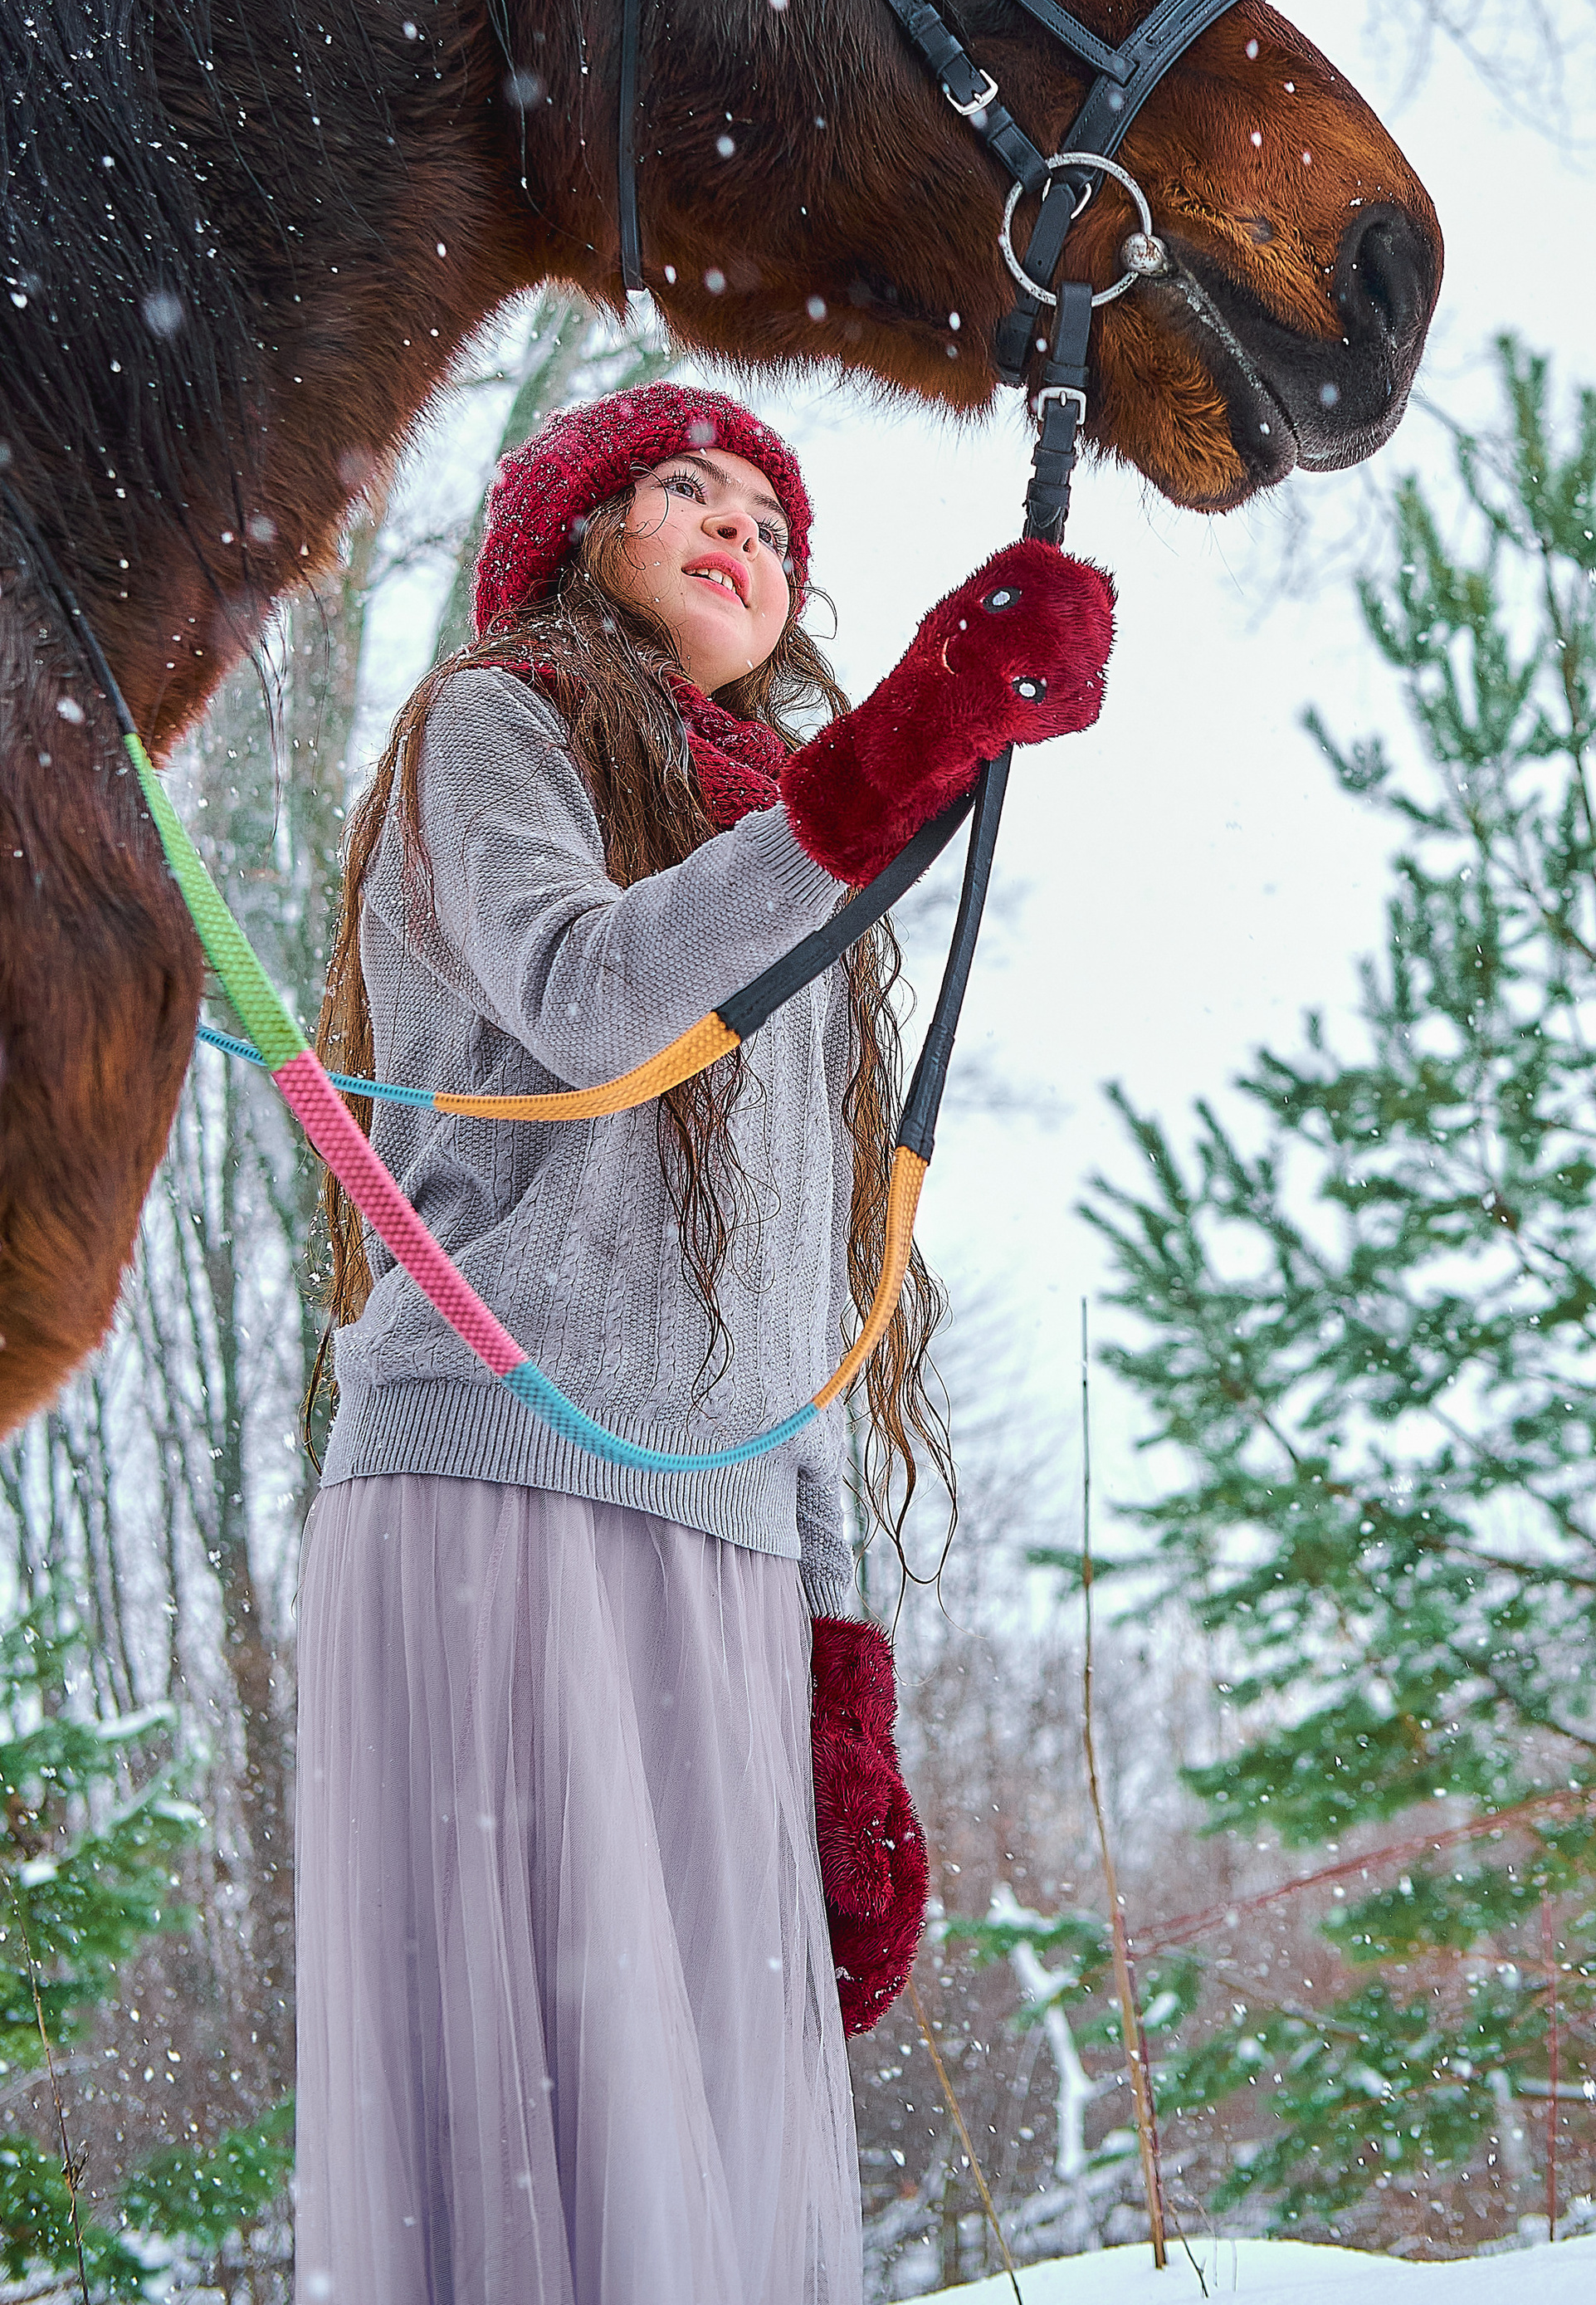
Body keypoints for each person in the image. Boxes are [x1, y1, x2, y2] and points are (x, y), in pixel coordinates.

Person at [293, 381, 1113, 2304]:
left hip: (731, 1551)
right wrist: (904, 746)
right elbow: (596, 1001)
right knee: (543, 2151)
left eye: (768, 506)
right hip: (496, 1499)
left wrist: (843, 1695)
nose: (738, 521)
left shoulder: (793, 854)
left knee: (713, 2173)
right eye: (683, 487)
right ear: (580, 538)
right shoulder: (493, 726)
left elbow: (800, 1320)